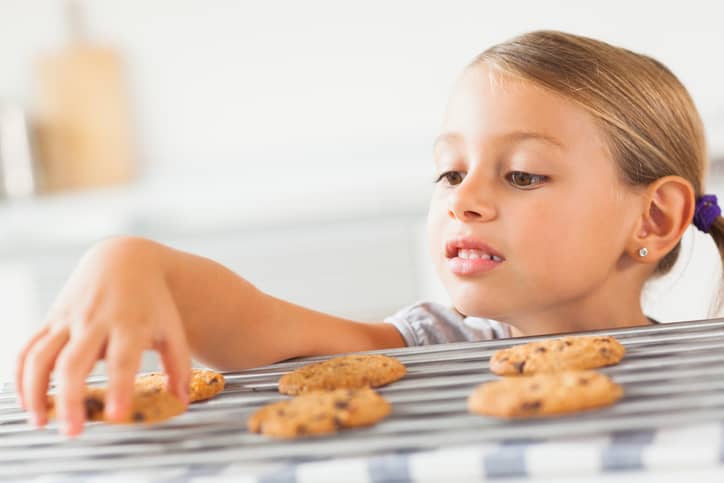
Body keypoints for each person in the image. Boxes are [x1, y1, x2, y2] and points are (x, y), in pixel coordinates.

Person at [15, 30, 724, 436]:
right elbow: (254, 328)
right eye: (448, 173)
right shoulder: (432, 347)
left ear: (653, 218)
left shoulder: (704, 366)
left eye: (523, 175)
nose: (464, 199)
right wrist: (131, 261)